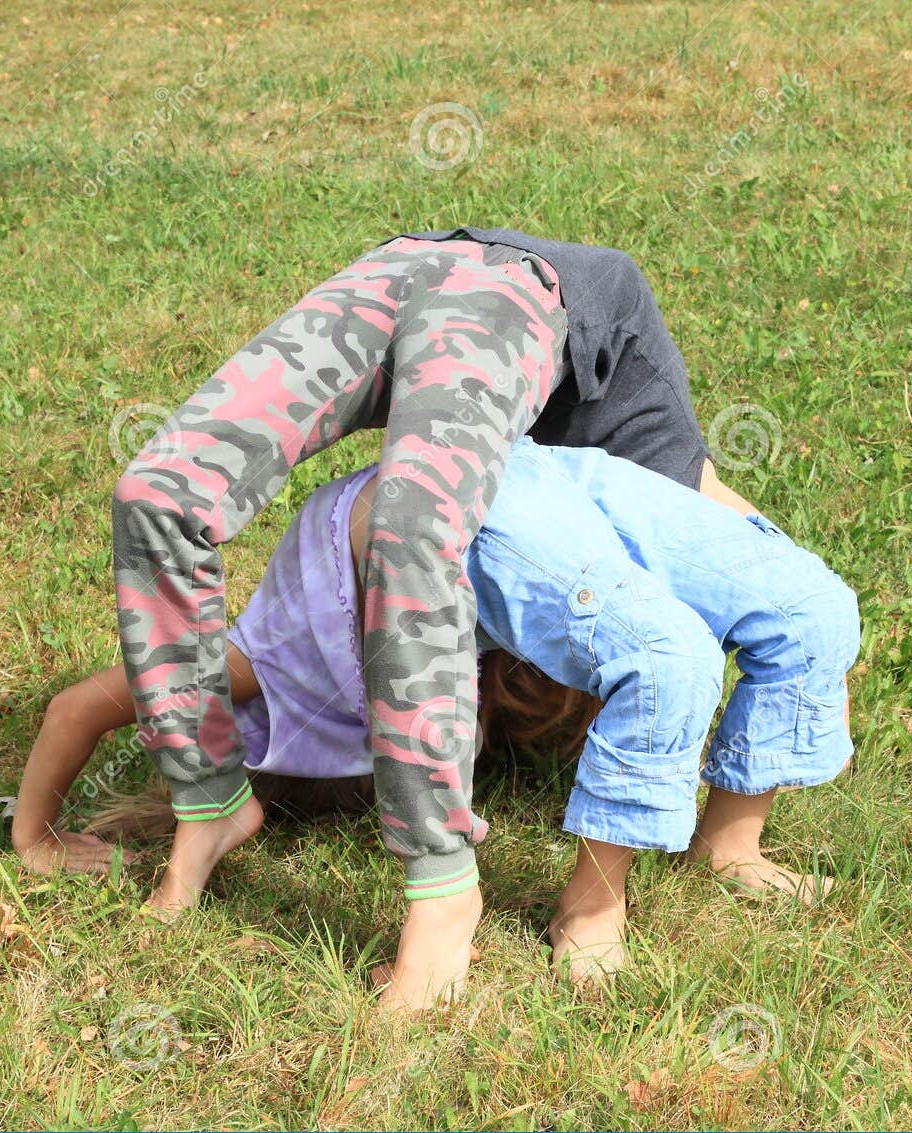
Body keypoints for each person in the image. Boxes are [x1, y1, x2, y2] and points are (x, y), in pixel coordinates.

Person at [112, 228, 747, 1010]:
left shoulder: (619, 439)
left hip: (456, 277)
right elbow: (723, 531)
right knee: (157, 495)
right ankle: (208, 801)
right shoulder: (642, 420)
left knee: (408, 525)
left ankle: (441, 889)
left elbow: (728, 552)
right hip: (451, 273)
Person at [30, 439, 858, 1001]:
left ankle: (665, 873)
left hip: (442, 501)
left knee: (671, 650)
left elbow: (79, 704)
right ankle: (654, 877)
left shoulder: (256, 667)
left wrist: (33, 834)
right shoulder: (417, 697)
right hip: (527, 480)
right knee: (811, 609)